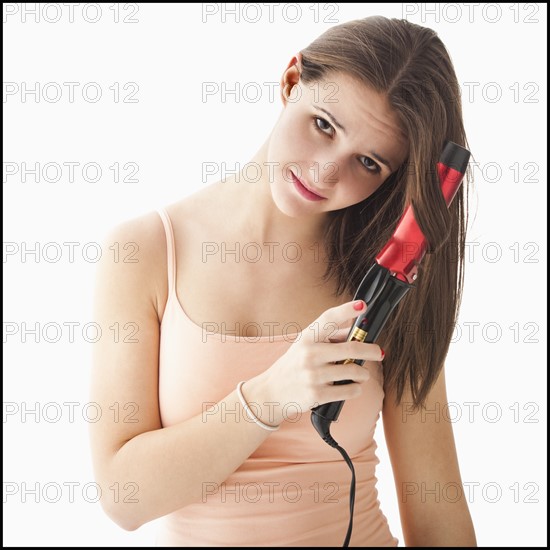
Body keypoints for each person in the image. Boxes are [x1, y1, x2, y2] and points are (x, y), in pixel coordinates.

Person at [89, 15, 477, 547]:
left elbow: (439, 519)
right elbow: (123, 498)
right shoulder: (146, 251)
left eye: (367, 161)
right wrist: (273, 395)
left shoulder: (387, 281)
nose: (324, 173)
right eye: (323, 125)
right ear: (292, 81)